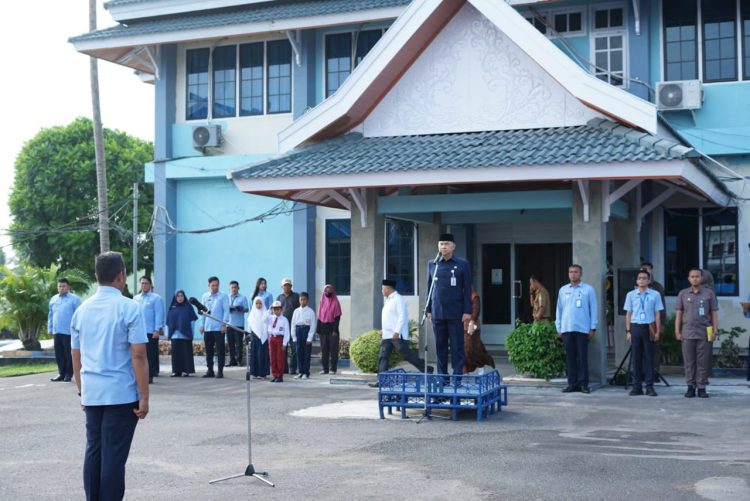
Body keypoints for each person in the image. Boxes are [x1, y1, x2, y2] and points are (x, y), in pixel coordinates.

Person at [70, 251, 149, 501]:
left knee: (94, 451)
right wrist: (144, 396)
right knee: (114, 457)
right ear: (121, 276)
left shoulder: (81, 310)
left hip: (92, 393)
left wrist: (82, 390)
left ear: (96, 276)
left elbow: (76, 355)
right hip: (121, 393)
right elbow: (138, 356)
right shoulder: (129, 308)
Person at [426, 233, 472, 377]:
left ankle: (457, 377)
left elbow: (467, 289)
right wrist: (428, 310)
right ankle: (442, 379)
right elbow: (429, 288)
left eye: (446, 244)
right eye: (441, 244)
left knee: (457, 347)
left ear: (453, 247)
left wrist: (467, 311)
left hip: (456, 312)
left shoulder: (462, 264)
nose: (443, 247)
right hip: (437, 312)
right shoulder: (433, 264)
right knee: (440, 347)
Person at [369, 279, 429, 388]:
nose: (382, 291)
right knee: (383, 356)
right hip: (387, 335)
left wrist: (397, 331)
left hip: (396, 335)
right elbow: (389, 317)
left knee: (406, 355)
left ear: (387, 289)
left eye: (383, 289)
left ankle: (427, 369)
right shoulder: (388, 300)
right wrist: (384, 330)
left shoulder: (398, 299)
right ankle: (381, 381)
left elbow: (402, 316)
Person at [675, 268, 719, 398]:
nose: (695, 278)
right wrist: (677, 331)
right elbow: (679, 313)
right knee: (689, 361)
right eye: (692, 276)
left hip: (705, 332)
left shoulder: (709, 293)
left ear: (702, 278)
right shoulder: (683, 294)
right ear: (689, 278)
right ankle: (690, 387)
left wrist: (715, 331)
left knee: (703, 361)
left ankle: (701, 387)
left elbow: (714, 314)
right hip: (687, 332)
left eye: (697, 276)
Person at [555, 264, 597, 394]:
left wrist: (593, 328)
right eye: (571, 272)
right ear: (568, 274)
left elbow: (593, 309)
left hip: (582, 329)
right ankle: (572, 384)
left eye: (576, 272)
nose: (573, 274)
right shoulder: (563, 290)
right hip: (567, 329)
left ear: (581, 274)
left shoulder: (588, 290)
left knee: (582, 357)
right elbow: (559, 310)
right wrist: (559, 327)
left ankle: (583, 384)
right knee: (570, 358)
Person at [623, 269, 664, 397]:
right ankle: (637, 387)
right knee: (636, 358)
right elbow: (628, 314)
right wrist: (628, 331)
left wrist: (657, 331)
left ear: (649, 280)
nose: (642, 280)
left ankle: (650, 387)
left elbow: (657, 313)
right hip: (635, 327)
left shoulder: (655, 295)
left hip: (649, 327)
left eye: (644, 278)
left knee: (649, 358)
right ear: (636, 280)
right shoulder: (630, 295)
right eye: (639, 278)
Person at [48, 278, 81, 382]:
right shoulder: (53, 299)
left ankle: (68, 374)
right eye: (60, 286)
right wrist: (50, 328)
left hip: (69, 331)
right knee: (59, 353)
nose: (61, 288)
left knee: (68, 353)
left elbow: (78, 315)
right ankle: (61, 374)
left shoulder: (74, 299)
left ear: (68, 287)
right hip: (57, 331)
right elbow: (50, 315)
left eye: (64, 286)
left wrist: (78, 329)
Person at [133, 276, 165, 384]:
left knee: (150, 355)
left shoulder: (156, 298)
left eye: (146, 283)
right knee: (138, 354)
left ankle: (149, 375)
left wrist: (157, 329)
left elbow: (159, 314)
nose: (144, 285)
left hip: (150, 331)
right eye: (142, 283)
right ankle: (139, 375)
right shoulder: (136, 298)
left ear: (150, 285)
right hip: (138, 331)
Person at [199, 276, 230, 378]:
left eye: (217, 285)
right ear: (209, 285)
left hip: (219, 328)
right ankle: (210, 370)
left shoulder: (223, 296)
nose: (215, 287)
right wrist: (202, 325)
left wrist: (224, 324)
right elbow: (202, 312)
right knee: (209, 350)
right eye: (213, 285)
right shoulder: (205, 296)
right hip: (208, 328)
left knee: (220, 350)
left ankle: (220, 371)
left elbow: (226, 311)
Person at [640, 261, 666, 373]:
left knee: (654, 348)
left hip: (654, 322)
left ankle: (654, 372)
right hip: (639, 323)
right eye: (643, 269)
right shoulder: (636, 287)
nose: (645, 271)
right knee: (640, 349)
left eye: (647, 269)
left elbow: (661, 308)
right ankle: (641, 372)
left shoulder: (657, 287)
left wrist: (662, 324)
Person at [463, 289, 496, 373]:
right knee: (463, 350)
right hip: (460, 326)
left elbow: (476, 310)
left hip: (472, 326)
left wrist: (472, 322)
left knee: (472, 349)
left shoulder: (474, 295)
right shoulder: (457, 293)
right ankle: (465, 370)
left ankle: (481, 363)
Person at [166, 290, 197, 377]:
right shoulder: (172, 308)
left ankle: (186, 370)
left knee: (186, 353)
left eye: (181, 296)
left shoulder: (188, 307)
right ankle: (176, 371)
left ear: (184, 297)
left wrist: (192, 333)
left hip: (185, 335)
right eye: (178, 296)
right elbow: (168, 322)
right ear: (175, 297)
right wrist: (167, 334)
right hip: (175, 335)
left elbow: (192, 321)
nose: (180, 298)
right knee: (176, 354)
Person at [317, 284, 342, 375]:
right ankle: (325, 369)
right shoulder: (322, 301)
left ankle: (333, 369)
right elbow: (319, 317)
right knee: (324, 350)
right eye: (326, 290)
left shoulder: (335, 301)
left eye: (330, 290)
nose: (328, 292)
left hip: (332, 329)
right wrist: (318, 330)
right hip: (323, 328)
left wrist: (335, 330)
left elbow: (337, 317)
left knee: (333, 350)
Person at [277, 278, 300, 375]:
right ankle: (284, 368)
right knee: (283, 348)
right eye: (285, 285)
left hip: (293, 326)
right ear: (282, 287)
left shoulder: (296, 296)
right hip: (283, 327)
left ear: (291, 286)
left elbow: (299, 310)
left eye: (288, 285)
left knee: (294, 348)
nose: (287, 287)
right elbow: (276, 312)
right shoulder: (279, 297)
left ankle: (293, 368)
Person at [292, 292, 317, 380]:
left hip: (306, 331)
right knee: (299, 353)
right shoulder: (296, 311)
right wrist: (294, 336)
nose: (303, 301)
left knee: (306, 353)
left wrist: (309, 337)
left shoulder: (310, 312)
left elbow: (313, 325)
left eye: (304, 299)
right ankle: (300, 371)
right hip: (298, 331)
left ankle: (306, 372)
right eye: (301, 299)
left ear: (307, 300)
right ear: (299, 300)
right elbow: (293, 324)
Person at [266, 300, 290, 382]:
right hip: (272, 338)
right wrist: (269, 310)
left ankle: (280, 375)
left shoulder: (284, 320)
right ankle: (274, 374)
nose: (276, 310)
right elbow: (263, 319)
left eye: (278, 309)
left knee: (280, 358)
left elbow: (287, 332)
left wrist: (284, 343)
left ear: (281, 309)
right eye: (274, 309)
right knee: (272, 358)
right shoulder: (270, 318)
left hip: (280, 339)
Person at [247, 296, 270, 380]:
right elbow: (250, 325)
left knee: (262, 355)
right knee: (254, 355)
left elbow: (268, 325)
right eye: (257, 303)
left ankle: (262, 373)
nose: (258, 305)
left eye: (260, 303)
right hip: (254, 337)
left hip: (263, 337)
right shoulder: (252, 314)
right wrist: (249, 334)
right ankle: (254, 373)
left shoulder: (265, 313)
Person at [227, 280, 249, 367]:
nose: (233, 289)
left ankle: (239, 361)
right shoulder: (226, 297)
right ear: (229, 288)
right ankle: (232, 360)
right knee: (230, 343)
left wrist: (240, 308)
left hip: (239, 324)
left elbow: (247, 309)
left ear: (238, 288)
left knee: (239, 343)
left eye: (235, 287)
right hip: (228, 324)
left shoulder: (243, 298)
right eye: (232, 287)